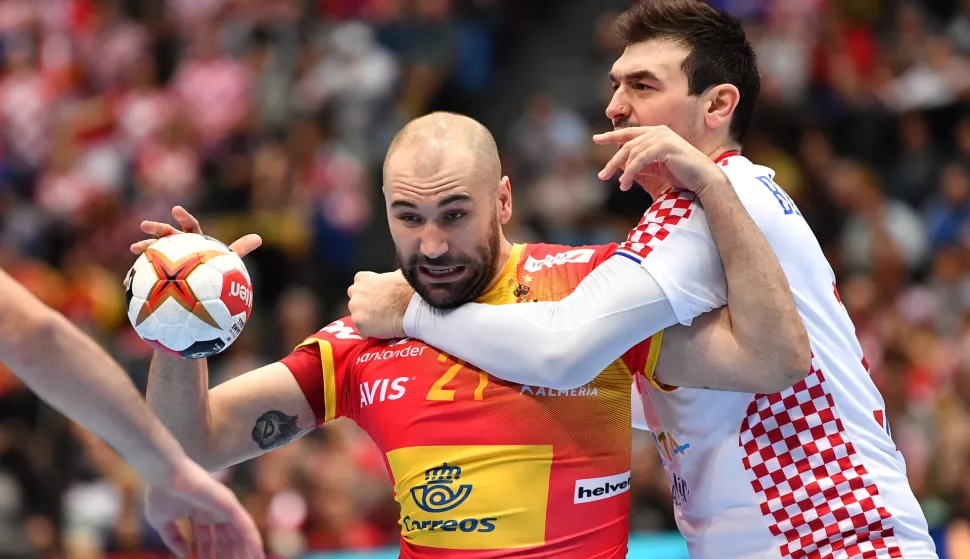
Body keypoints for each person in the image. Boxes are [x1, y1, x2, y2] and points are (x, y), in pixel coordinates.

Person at [345, 1, 939, 558]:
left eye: (643, 86)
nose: (615, 105)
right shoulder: (749, 194)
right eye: (615, 85)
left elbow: (562, 347)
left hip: (826, 541)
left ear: (717, 106)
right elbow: (632, 382)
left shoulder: (701, 203)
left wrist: (411, 313)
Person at [139, 111, 805, 558]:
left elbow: (770, 356)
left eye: (455, 214)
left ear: (504, 201)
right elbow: (192, 442)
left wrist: (717, 188)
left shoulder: (593, 292)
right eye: (408, 216)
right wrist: (178, 328)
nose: (431, 244)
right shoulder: (362, 337)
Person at [0, 266, 264, 559]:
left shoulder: (130, 364)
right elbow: (34, 336)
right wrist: (165, 467)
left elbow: (35, 337)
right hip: (113, 484)